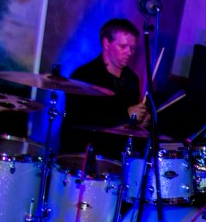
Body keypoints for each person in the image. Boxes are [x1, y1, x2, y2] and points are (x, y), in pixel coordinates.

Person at [59, 18, 150, 160]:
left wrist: (139, 122)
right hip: (86, 153)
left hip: (118, 155)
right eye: (123, 46)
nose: (129, 53)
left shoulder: (132, 79)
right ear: (106, 43)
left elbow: (129, 125)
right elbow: (80, 119)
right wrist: (126, 114)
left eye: (132, 48)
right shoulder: (84, 75)